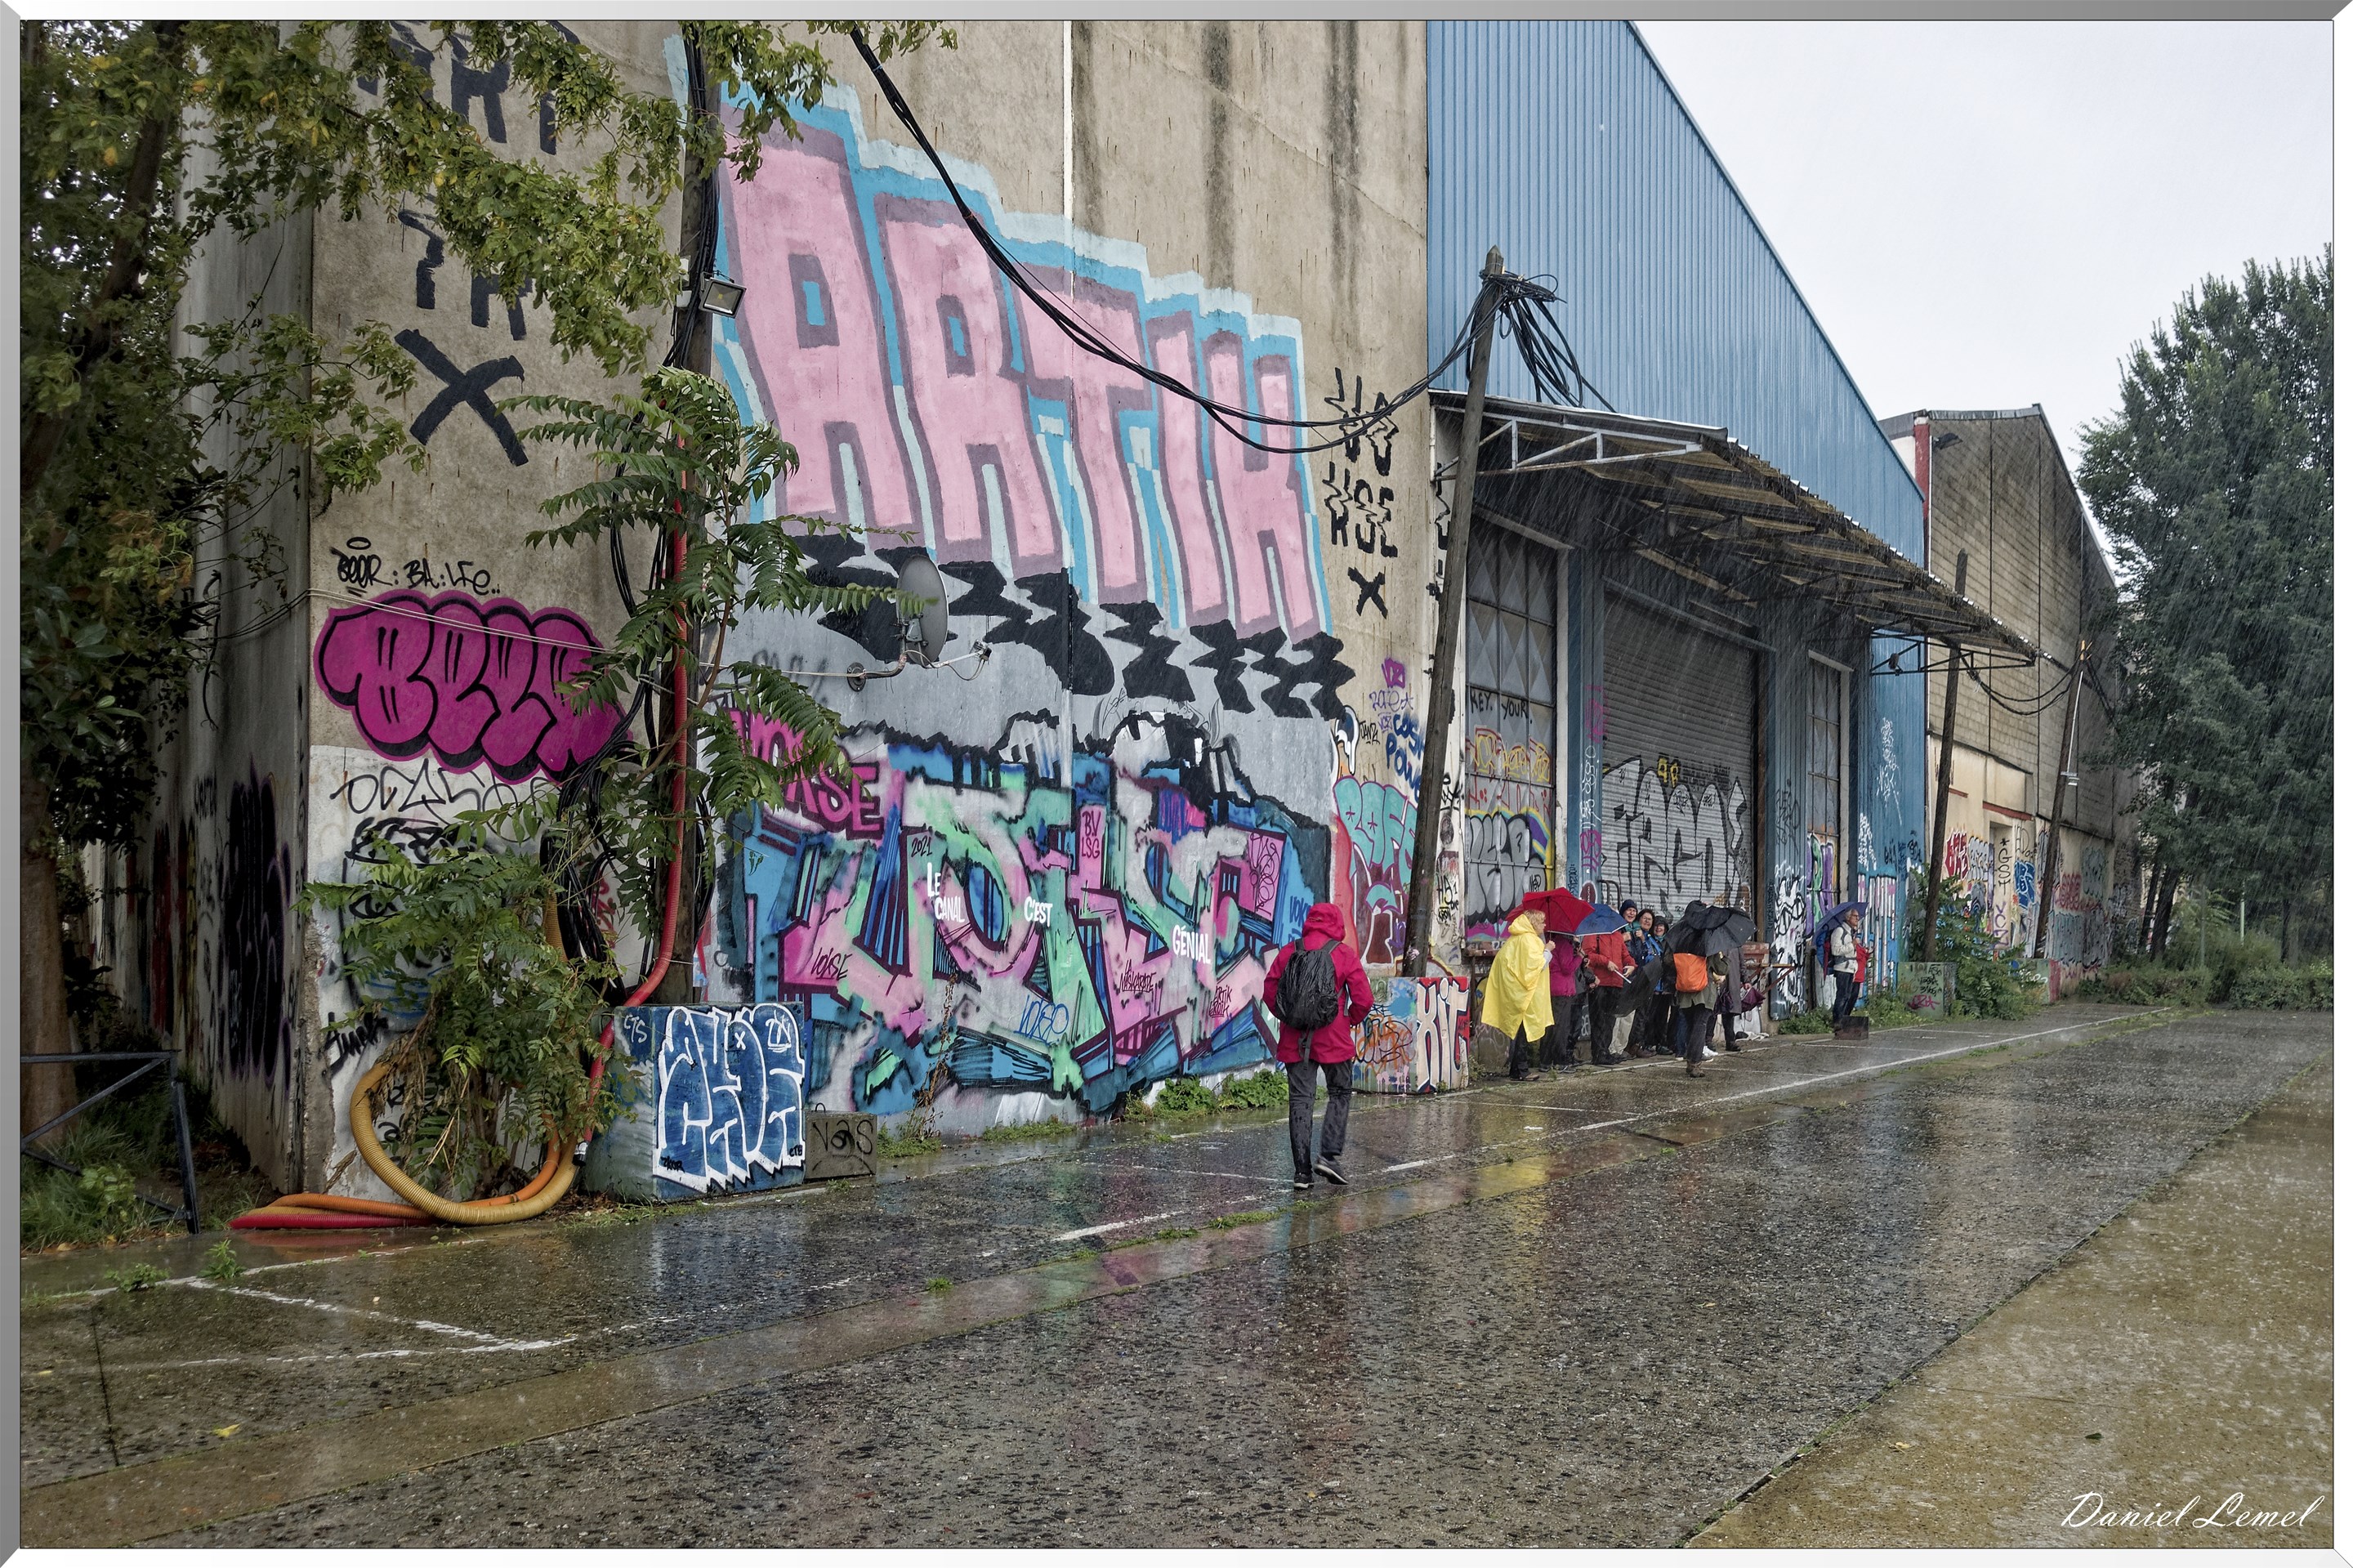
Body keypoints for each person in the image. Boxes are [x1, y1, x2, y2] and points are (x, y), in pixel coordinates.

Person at [1261, 901, 1374, 1189]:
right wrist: (1348, 1019)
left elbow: (1270, 991)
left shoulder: (1290, 951)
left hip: (1294, 1039)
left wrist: (1288, 1017)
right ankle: (1328, 1156)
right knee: (1339, 1092)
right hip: (1334, 1037)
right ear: (1337, 925)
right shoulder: (1343, 954)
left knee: (1301, 1100)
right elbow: (1364, 999)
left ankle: (1301, 1174)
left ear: (1310, 921)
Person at [1481, 897, 1554, 1083]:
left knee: (1517, 1031)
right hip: (1523, 995)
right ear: (1534, 923)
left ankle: (1517, 1070)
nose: (1544, 925)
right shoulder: (1530, 941)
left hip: (1514, 992)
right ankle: (1521, 1071)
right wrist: (1547, 950)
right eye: (1542, 922)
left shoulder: (1516, 939)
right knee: (1521, 1033)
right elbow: (1536, 967)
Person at [1578, 905, 1634, 1065]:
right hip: (1601, 982)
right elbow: (1587, 954)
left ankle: (1606, 1050)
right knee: (1599, 1020)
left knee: (1610, 1020)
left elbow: (1626, 955)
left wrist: (1631, 965)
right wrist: (1605, 962)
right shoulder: (1593, 934)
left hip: (1616, 982)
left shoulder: (1617, 935)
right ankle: (1599, 1053)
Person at [1826, 905, 1864, 1029]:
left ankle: (1844, 1020)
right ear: (1848, 917)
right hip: (1842, 968)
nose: (1857, 919)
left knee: (1849, 995)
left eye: (1858, 917)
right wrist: (1852, 944)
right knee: (1842, 995)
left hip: (1851, 968)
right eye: (1855, 916)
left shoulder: (1850, 933)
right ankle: (1837, 1021)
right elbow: (1836, 951)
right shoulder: (1839, 931)